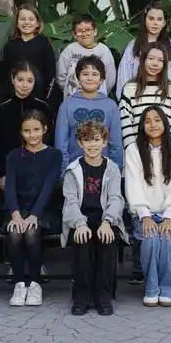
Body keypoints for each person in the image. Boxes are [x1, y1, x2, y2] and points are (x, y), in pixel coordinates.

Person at [61, 121, 126, 316]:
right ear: (80, 143)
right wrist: (80, 224)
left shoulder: (112, 169)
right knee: (82, 243)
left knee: (106, 241)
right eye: (87, 140)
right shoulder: (73, 170)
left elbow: (116, 199)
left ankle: (103, 295)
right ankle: (82, 296)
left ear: (104, 142)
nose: (92, 145)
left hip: (105, 220)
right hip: (80, 221)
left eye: (97, 139)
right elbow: (70, 202)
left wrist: (107, 222)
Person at [125, 106, 171, 307]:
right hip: (143, 213)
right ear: (142, 126)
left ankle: (167, 288)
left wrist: (169, 216)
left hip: (168, 212)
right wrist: (145, 215)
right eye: (148, 121)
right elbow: (133, 186)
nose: (153, 125)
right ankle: (151, 288)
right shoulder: (133, 150)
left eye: (157, 120)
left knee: (167, 238)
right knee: (150, 238)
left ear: (165, 124)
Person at [6, 110, 62, 307]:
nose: (32, 135)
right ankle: (19, 283)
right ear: (21, 132)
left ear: (44, 129)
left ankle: (36, 283)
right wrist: (15, 214)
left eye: (36, 130)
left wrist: (35, 215)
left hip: (46, 211)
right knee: (15, 232)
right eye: (27, 131)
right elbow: (10, 187)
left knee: (31, 231)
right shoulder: (13, 156)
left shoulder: (54, 155)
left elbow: (49, 187)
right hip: (19, 209)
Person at [56, 56, 123, 173]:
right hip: (74, 168)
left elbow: (115, 142)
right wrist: (64, 170)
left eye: (95, 74)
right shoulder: (67, 105)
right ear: (78, 78)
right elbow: (61, 141)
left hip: (103, 169)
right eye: (85, 74)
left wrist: (116, 169)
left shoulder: (110, 106)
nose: (90, 78)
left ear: (101, 79)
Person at [0, 62, 52, 191]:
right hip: (11, 170)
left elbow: (49, 140)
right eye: (20, 80)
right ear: (12, 79)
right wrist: (2, 173)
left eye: (30, 81)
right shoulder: (3, 109)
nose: (25, 85)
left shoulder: (42, 107)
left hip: (38, 169)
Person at [119, 42, 171, 148]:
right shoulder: (130, 89)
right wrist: (132, 150)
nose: (155, 64)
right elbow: (125, 123)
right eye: (151, 58)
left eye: (160, 60)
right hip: (136, 151)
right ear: (143, 60)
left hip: (167, 151)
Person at [116, 1, 171, 98]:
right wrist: (124, 98)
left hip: (165, 98)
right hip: (137, 97)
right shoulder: (134, 45)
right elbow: (124, 75)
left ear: (164, 23)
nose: (155, 23)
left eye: (159, 19)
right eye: (151, 19)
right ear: (145, 20)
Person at [2, 4, 60, 109]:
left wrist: (45, 96)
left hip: (38, 96)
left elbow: (50, 73)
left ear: (37, 23)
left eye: (31, 19)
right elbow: (6, 72)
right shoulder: (10, 45)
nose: (26, 22)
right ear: (17, 23)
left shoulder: (44, 44)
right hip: (14, 97)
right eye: (22, 19)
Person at [57, 14, 117, 98]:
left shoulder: (104, 51)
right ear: (74, 34)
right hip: (73, 98)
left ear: (95, 31)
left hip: (97, 98)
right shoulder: (69, 50)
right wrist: (69, 92)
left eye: (88, 30)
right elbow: (61, 76)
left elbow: (110, 79)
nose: (84, 34)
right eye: (80, 31)